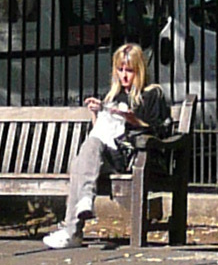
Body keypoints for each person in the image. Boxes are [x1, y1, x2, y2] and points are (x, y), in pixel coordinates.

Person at [43, 42, 170, 250]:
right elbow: (101, 132)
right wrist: (96, 113)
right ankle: (82, 207)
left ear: (139, 70)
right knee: (87, 151)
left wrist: (131, 118)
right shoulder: (114, 96)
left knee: (79, 165)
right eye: (120, 70)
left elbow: (158, 131)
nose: (124, 76)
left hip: (135, 157)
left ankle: (72, 229)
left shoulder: (152, 94)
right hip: (110, 153)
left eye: (129, 70)